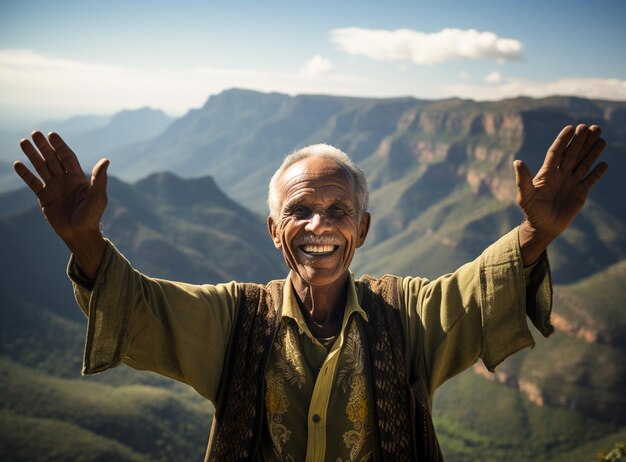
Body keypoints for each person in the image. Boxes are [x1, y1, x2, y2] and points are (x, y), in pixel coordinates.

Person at [14, 124, 607, 461]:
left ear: (363, 229)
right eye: (300, 211)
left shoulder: (408, 315)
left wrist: (537, 232)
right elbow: (143, 308)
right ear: (275, 230)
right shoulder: (233, 319)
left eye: (338, 211)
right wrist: (85, 239)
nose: (320, 227)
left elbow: (479, 288)